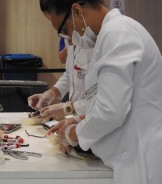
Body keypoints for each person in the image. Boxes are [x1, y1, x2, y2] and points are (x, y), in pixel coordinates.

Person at [42, 0, 162, 184]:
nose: (71, 40)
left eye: (66, 31)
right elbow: (108, 100)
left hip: (141, 158)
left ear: (76, 11)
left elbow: (110, 111)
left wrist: (72, 134)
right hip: (129, 155)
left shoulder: (118, 33)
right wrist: (76, 120)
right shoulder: (107, 36)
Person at [28, 2, 93, 121]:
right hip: (81, 121)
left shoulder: (97, 42)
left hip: (92, 120)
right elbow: (70, 74)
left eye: (63, 29)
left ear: (76, 11)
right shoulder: (71, 38)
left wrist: (68, 108)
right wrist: (49, 94)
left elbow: (105, 103)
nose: (66, 39)